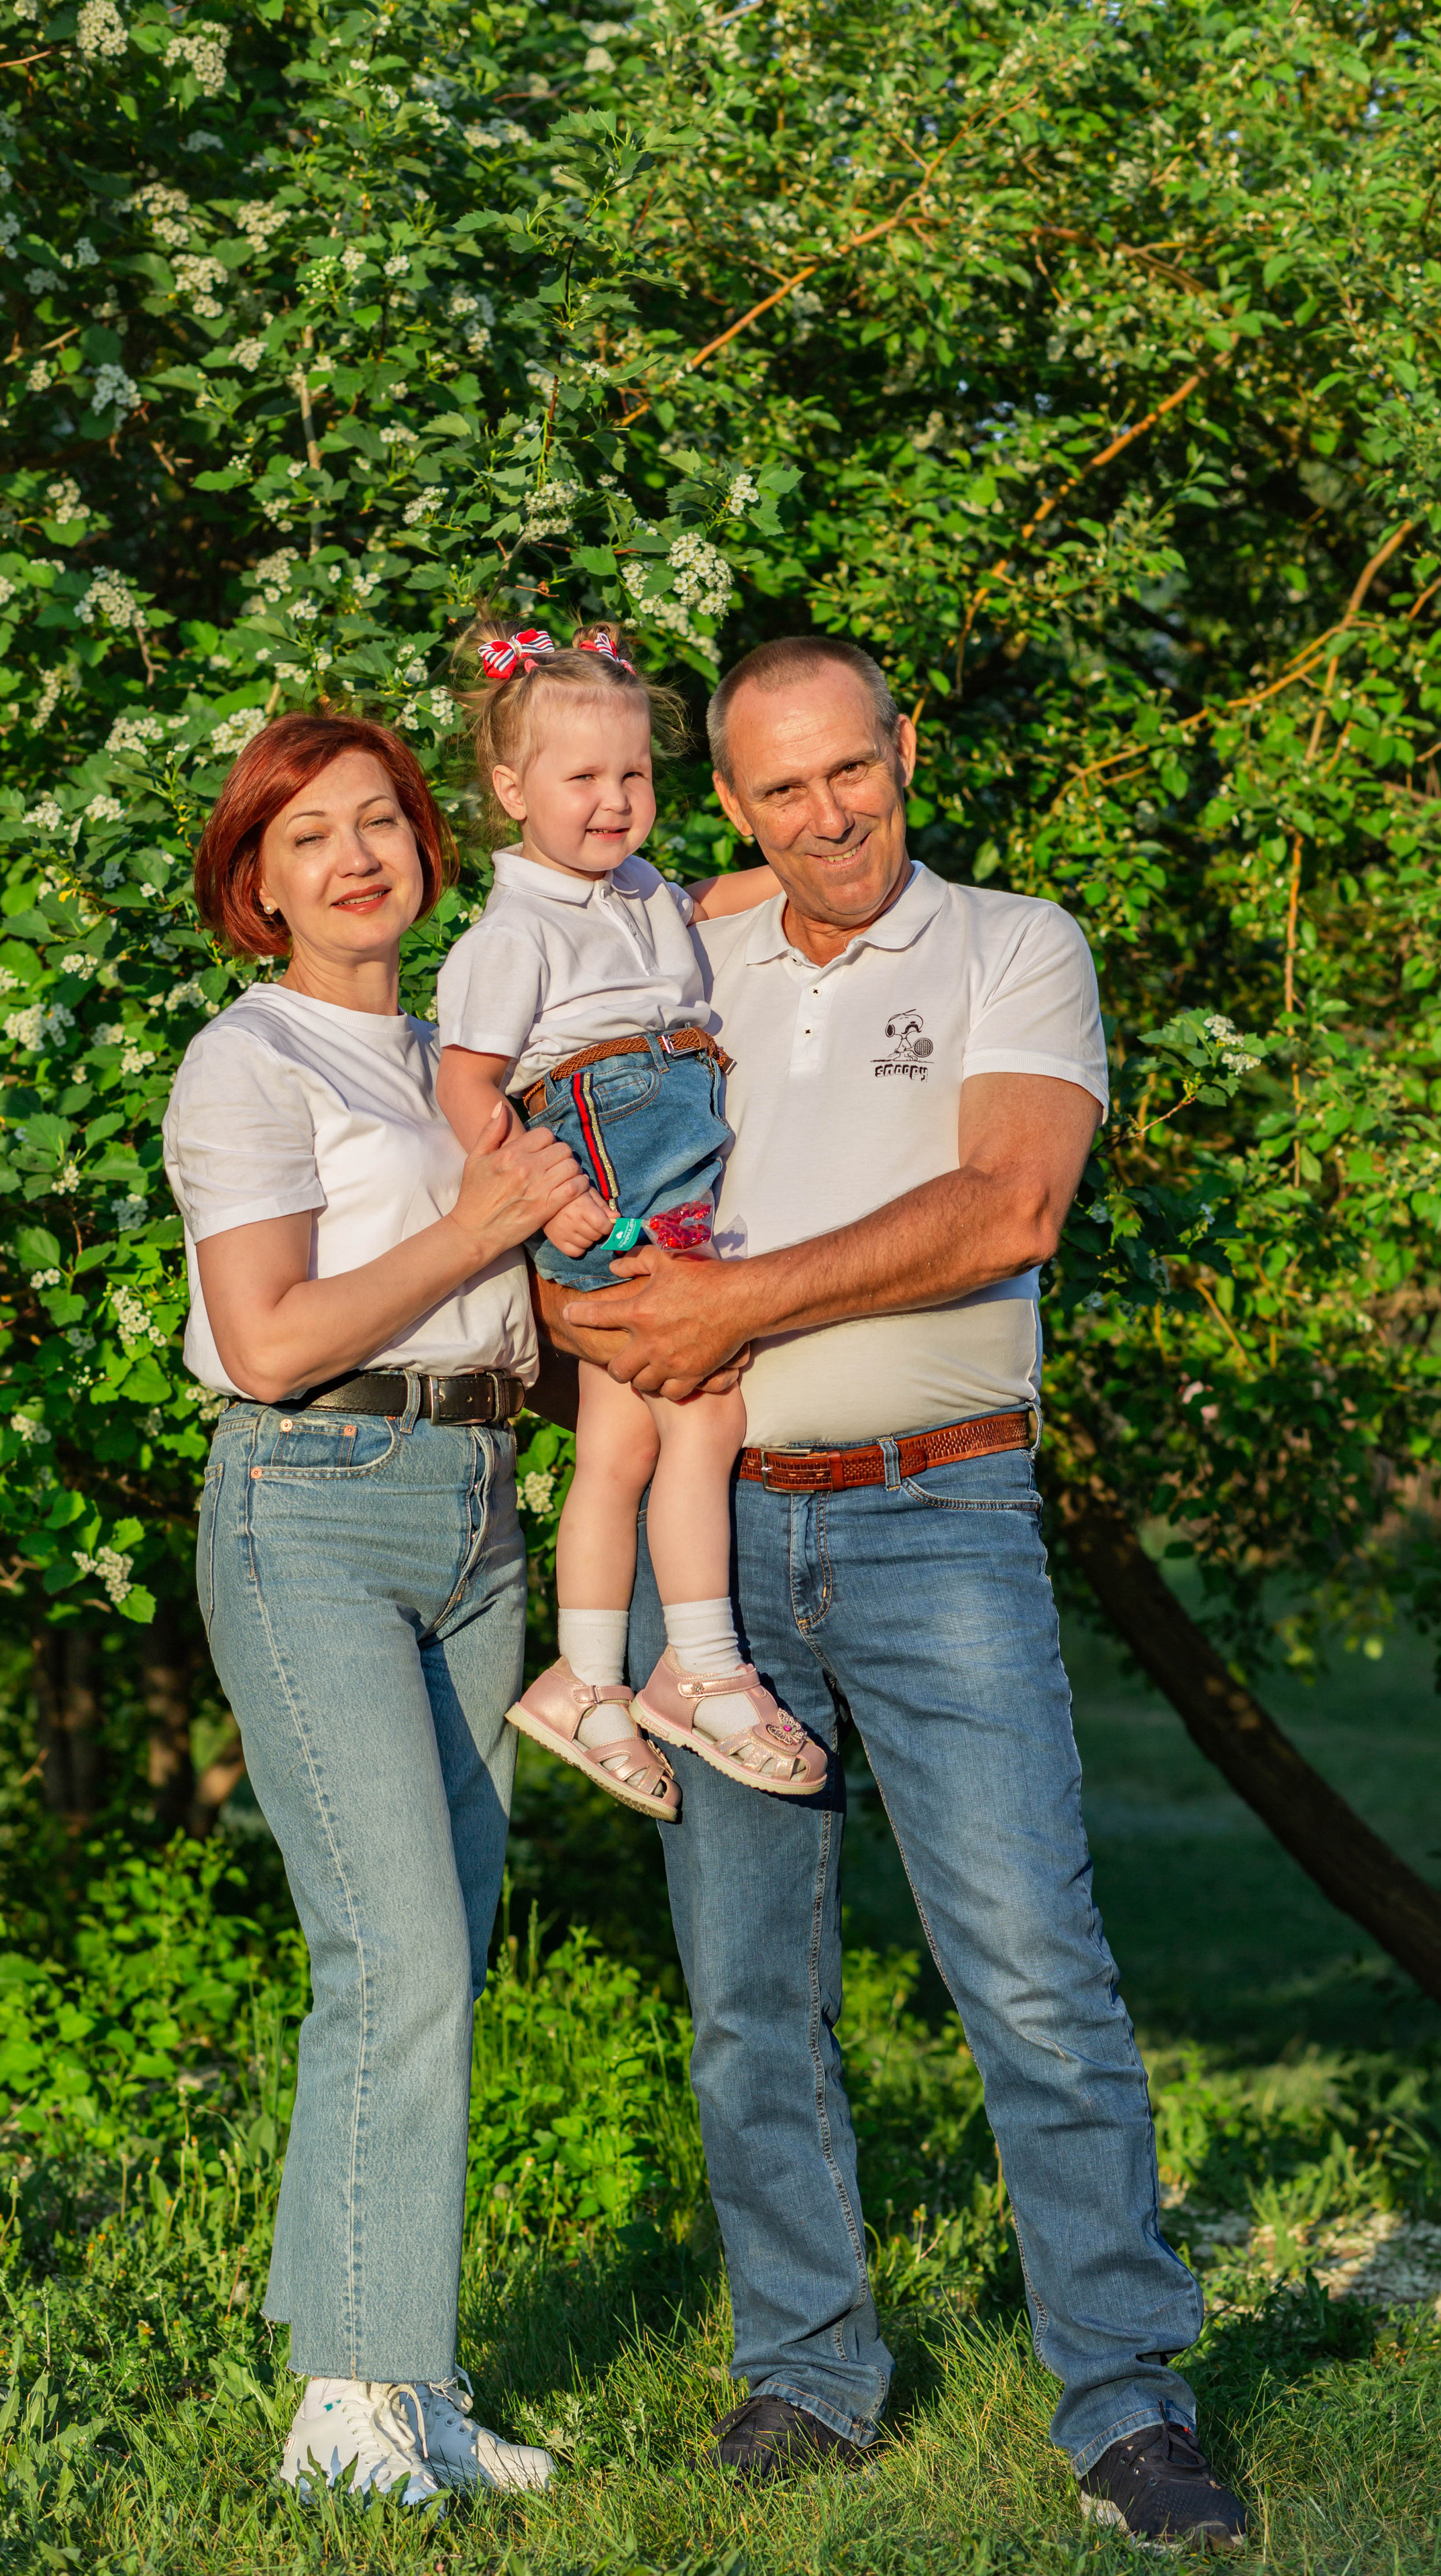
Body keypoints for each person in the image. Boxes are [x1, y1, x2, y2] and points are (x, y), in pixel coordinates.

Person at [546, 637, 1251, 2553]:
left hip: (941, 1517)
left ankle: (1125, 2402)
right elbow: (544, 1016)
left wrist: (731, 1303)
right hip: (722, 1549)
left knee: (1033, 1968)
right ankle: (812, 2371)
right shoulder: (691, 953)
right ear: (738, 805)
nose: (828, 816)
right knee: (748, 1992)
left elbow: (1010, 1206)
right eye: (781, 792)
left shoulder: (1016, 946)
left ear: (904, 748)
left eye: (852, 771)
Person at [164, 710, 579, 2508]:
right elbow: (265, 1337)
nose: (356, 857)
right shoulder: (248, 1064)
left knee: (444, 1957)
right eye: (309, 835)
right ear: (257, 883)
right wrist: (486, 1221)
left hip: (479, 1508)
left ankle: (403, 2378)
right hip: (312, 1503)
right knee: (393, 1955)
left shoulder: (459, 1054)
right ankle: (343, 2404)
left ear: (430, 847)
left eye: (383, 823)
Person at [433, 622, 826, 1813]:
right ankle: (699, 1668)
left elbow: (706, 896)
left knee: (620, 1446)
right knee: (704, 1415)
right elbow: (470, 1089)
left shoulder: (637, 893)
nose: (615, 802)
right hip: (606, 1176)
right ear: (510, 793)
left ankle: (586, 1682)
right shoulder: (514, 935)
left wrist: (802, 862)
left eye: (635, 776)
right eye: (582, 779)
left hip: (669, 1171)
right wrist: (563, 1213)